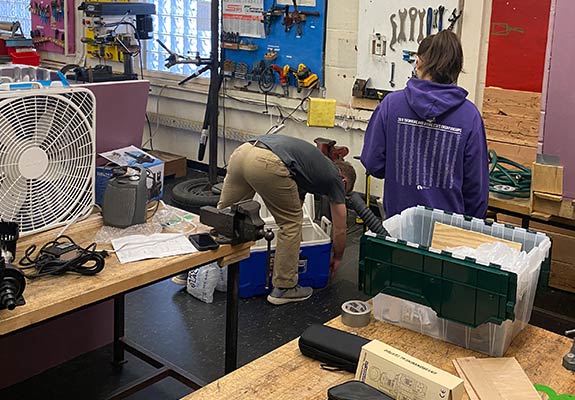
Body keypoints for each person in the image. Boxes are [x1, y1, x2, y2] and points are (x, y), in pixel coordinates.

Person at [176, 135, 356, 306]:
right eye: (344, 192)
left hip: (243, 152)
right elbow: (340, 228)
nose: (339, 195)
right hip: (266, 161)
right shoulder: (335, 177)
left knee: (223, 219)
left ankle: (187, 270)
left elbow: (295, 203)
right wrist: (338, 257)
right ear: (344, 180)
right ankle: (285, 287)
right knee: (291, 224)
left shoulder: (312, 167)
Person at [361, 30, 488, 218]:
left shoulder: (391, 105)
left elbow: (373, 164)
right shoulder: (469, 116)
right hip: (447, 233)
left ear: (419, 62)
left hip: (398, 226)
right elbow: (476, 191)